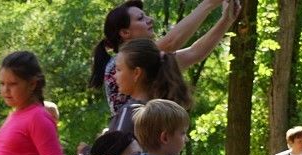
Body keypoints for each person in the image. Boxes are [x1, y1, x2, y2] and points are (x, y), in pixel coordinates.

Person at [90, 0, 239, 115]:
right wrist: (209, 3)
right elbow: (171, 42)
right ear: (125, 33)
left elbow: (194, 53)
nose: (150, 20)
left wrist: (226, 20)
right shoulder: (118, 63)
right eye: (141, 18)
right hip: (135, 151)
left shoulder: (151, 61)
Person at [108, 38, 192, 134]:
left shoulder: (130, 113)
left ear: (136, 73)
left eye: (118, 69)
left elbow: (116, 148)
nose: (114, 76)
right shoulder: (163, 113)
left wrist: (87, 148)